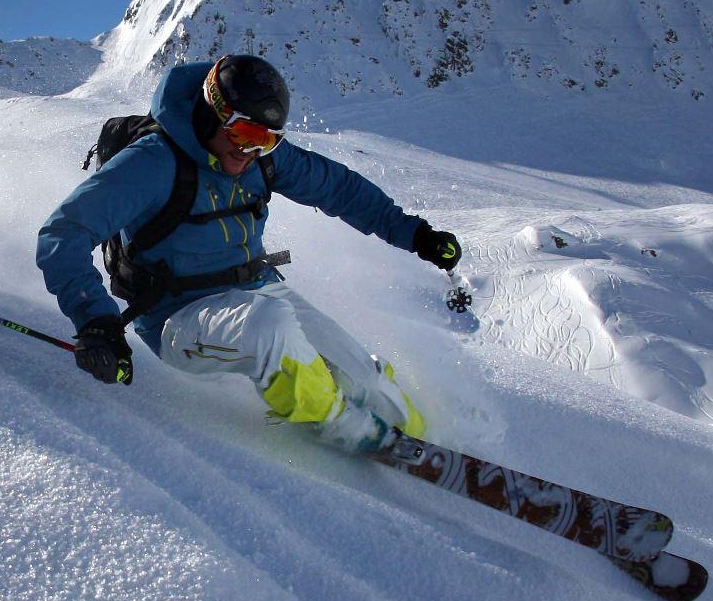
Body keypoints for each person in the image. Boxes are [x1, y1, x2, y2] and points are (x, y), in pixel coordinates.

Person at [36, 55, 462, 454]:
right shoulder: (153, 163)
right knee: (270, 328)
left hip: (257, 291)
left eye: (267, 139)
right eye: (243, 134)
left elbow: (340, 189)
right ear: (212, 112)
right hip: (178, 319)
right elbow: (64, 232)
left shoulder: (262, 159)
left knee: (362, 376)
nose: (251, 150)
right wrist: (96, 321)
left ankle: (421, 443)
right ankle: (344, 427)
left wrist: (416, 235)